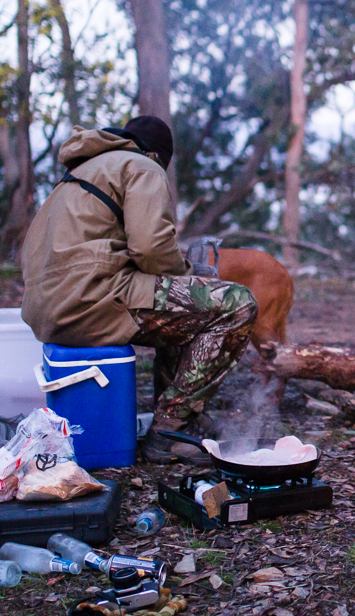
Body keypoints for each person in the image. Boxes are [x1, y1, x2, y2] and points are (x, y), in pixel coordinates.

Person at [22, 116, 258, 461]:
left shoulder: (79, 173)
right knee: (237, 303)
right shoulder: (143, 166)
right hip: (93, 297)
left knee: (185, 308)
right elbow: (150, 248)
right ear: (160, 156)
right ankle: (169, 429)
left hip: (51, 308)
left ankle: (182, 415)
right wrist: (190, 274)